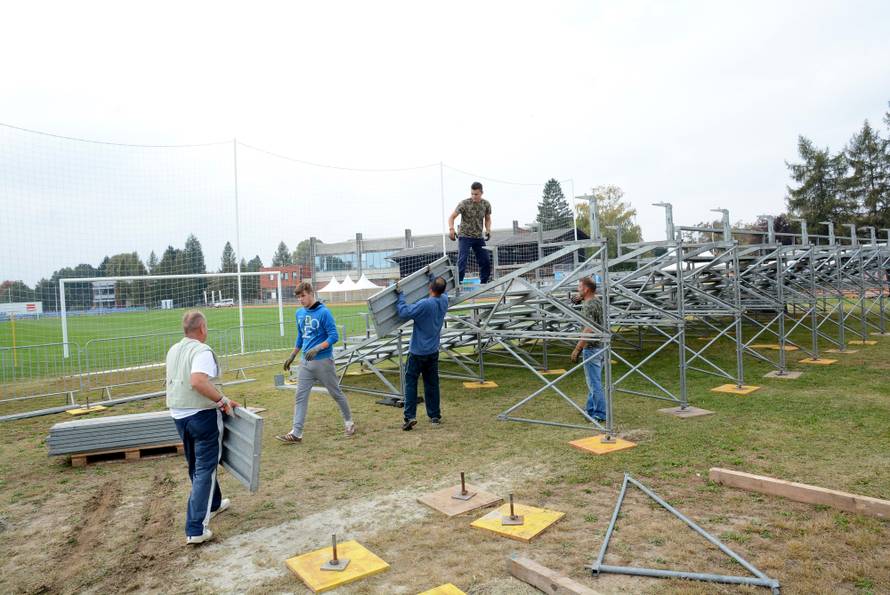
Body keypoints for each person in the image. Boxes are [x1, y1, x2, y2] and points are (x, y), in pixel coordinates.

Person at [166, 310, 240, 545]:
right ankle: (196, 528)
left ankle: (214, 503)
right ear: (202, 329)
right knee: (205, 469)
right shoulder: (202, 351)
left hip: (179, 414)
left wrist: (222, 397)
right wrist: (220, 401)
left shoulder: (174, 349)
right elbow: (198, 381)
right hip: (200, 416)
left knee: (196, 465)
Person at [276, 281, 355, 443]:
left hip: (323, 362)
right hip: (305, 362)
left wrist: (318, 348)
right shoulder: (299, 313)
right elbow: (301, 336)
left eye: (303, 296)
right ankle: (296, 432)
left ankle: (349, 422)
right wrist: (292, 355)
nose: (300, 299)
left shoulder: (324, 313)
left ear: (311, 294)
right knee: (300, 396)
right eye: (298, 297)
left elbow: (334, 336)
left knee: (336, 393)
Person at [395, 275, 449, 430]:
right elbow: (441, 290)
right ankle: (434, 416)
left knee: (411, 382)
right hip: (433, 350)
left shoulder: (426, 304)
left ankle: (410, 416)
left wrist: (400, 296)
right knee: (432, 383)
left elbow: (404, 312)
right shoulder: (444, 300)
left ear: (430, 288)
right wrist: (432, 278)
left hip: (418, 351)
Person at [570, 276, 607, 423]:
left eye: (580, 287)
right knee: (594, 381)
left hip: (591, 348)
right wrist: (581, 298)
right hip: (601, 347)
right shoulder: (597, 301)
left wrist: (578, 348)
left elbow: (589, 328)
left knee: (594, 383)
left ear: (586, 289)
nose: (578, 290)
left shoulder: (588, 305)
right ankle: (590, 409)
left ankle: (600, 413)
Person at [448, 181, 492, 284]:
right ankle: (458, 284)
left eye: (476, 194)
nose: (474, 196)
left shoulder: (486, 204)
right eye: (472, 193)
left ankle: (484, 284)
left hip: (478, 237)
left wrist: (488, 229)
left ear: (481, 193)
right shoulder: (464, 203)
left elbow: (488, 218)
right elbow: (452, 217)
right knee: (462, 260)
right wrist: (451, 229)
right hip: (465, 236)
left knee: (485, 260)